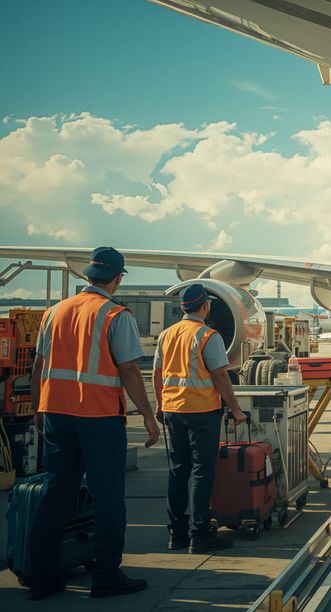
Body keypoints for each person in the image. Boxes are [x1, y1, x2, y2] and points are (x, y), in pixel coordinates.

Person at [27, 246, 160, 600]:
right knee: (108, 497)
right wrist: (149, 415)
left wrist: (39, 410)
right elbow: (130, 371)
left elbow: (39, 367)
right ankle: (105, 574)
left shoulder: (53, 313)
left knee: (56, 493)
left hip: (55, 412)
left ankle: (41, 575)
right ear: (117, 279)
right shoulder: (115, 314)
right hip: (98, 417)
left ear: (86, 275)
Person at [153, 284, 248, 554]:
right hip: (202, 412)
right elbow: (220, 375)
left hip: (173, 410)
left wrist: (161, 404)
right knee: (201, 472)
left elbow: (156, 375)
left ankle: (177, 533)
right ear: (204, 306)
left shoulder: (167, 334)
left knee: (177, 471)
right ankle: (200, 533)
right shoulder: (207, 335)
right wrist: (236, 409)